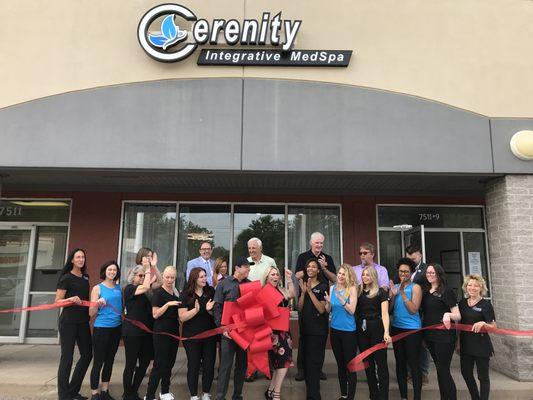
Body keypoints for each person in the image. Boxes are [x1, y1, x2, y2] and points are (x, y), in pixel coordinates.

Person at [294, 232, 336, 381]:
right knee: (303, 336)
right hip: (305, 298)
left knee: (319, 339)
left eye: (321, 243)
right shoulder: (302, 257)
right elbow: (298, 275)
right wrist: (312, 268)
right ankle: (302, 370)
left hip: (322, 299)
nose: (319, 245)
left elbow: (335, 279)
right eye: (316, 243)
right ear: (311, 243)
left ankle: (317, 369)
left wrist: (323, 268)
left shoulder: (327, 259)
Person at [55, 248, 93, 400]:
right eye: (77, 257)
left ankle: (72, 391)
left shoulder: (85, 278)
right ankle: (64, 396)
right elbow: (57, 301)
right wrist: (70, 300)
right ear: (72, 260)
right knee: (67, 358)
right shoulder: (66, 278)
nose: (80, 259)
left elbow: (87, 299)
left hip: (83, 321)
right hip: (68, 322)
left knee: (87, 355)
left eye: (83, 257)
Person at [421, 263, 461, 400]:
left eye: (432, 273)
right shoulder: (426, 291)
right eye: (428, 273)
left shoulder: (446, 291)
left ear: (439, 274)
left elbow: (457, 315)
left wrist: (448, 315)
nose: (429, 275)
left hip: (444, 337)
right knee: (440, 370)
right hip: (430, 337)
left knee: (443, 370)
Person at [214, 257, 251, 400]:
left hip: (244, 332)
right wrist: (222, 328)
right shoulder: (224, 284)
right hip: (228, 333)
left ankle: (237, 395)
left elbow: (255, 307)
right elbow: (217, 307)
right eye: (246, 266)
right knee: (225, 366)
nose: (248, 269)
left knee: (242, 366)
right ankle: (220, 396)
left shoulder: (251, 285)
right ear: (237, 268)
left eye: (249, 267)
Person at [178, 267, 217, 400]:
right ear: (194, 278)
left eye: (205, 276)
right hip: (192, 337)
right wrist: (195, 310)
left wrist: (209, 310)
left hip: (209, 336)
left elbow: (215, 314)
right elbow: (182, 317)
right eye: (201, 276)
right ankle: (194, 396)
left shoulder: (211, 291)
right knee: (193, 365)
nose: (204, 278)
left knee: (209, 365)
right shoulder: (185, 294)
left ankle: (206, 393)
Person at [144, 266, 181, 400]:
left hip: (174, 331)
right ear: (163, 277)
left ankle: (165, 391)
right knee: (159, 364)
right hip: (161, 331)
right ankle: (149, 395)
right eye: (167, 277)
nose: (169, 280)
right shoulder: (158, 292)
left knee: (170, 363)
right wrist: (167, 305)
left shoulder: (176, 293)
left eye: (172, 277)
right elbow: (155, 314)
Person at [389, 258, 423, 400]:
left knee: (414, 364)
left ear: (411, 272)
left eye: (406, 271)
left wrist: (402, 293)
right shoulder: (395, 287)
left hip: (412, 330)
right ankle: (404, 396)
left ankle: (416, 397)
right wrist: (392, 296)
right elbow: (390, 310)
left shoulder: (416, 287)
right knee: (400, 363)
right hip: (396, 328)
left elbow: (414, 310)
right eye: (401, 271)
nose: (403, 274)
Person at [89, 261, 123, 400]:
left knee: (110, 360)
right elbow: (91, 312)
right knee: (98, 361)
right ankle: (94, 393)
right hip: (102, 328)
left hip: (116, 328)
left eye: (114, 270)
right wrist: (97, 303)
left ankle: (104, 391)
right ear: (105, 271)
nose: (112, 272)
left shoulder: (119, 288)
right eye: (110, 269)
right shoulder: (97, 288)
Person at [324, 264, 358, 400]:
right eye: (339, 273)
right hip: (335, 331)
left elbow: (352, 310)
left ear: (348, 276)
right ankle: (343, 395)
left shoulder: (352, 289)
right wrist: (328, 302)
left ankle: (351, 397)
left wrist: (341, 299)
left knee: (350, 365)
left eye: (344, 274)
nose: (341, 276)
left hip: (349, 332)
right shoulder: (332, 289)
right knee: (340, 365)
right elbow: (328, 311)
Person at [459, 275, 496, 400]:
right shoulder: (462, 303)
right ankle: (475, 397)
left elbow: (493, 326)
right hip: (466, 345)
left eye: (476, 285)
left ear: (481, 288)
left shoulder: (486, 305)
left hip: (481, 345)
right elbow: (458, 322)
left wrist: (484, 323)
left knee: (483, 377)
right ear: (466, 287)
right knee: (466, 373)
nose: (472, 288)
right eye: (470, 285)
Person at [262, 266, 297, 400]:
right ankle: (275, 393)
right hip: (271, 332)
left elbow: (292, 294)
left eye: (277, 275)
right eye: (272, 274)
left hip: (284, 331)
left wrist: (289, 279)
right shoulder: (264, 291)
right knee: (280, 362)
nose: (275, 277)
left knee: (283, 361)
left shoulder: (282, 290)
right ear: (267, 277)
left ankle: (272, 391)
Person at [357, 266, 391, 400]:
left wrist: (386, 332)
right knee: (368, 364)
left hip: (377, 327)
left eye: (368, 275)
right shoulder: (359, 291)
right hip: (362, 328)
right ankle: (374, 395)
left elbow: (384, 313)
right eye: (363, 274)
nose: (365, 277)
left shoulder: (381, 292)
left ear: (373, 276)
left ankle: (384, 396)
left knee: (381, 363)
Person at [298, 258, 329, 400]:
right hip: (305, 330)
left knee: (314, 364)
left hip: (318, 332)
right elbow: (299, 308)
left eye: (313, 267)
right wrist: (304, 292)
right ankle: (311, 394)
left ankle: (314, 395)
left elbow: (322, 309)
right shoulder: (304, 285)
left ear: (318, 270)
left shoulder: (323, 286)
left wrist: (310, 292)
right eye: (308, 266)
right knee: (306, 364)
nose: (310, 269)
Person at [122, 265, 154, 400]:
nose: (142, 278)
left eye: (143, 276)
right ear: (133, 276)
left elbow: (151, 286)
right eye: (140, 276)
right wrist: (147, 269)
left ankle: (133, 391)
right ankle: (127, 394)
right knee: (131, 363)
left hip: (146, 333)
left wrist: (153, 269)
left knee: (145, 362)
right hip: (132, 332)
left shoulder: (146, 293)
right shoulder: (129, 288)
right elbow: (146, 286)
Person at [405, 245, 430, 386]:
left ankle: (424, 372)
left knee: (421, 345)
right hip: (407, 311)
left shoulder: (427, 270)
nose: (412, 260)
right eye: (409, 258)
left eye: (414, 257)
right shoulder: (405, 269)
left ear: (420, 255)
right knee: (409, 344)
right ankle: (410, 372)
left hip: (421, 311)